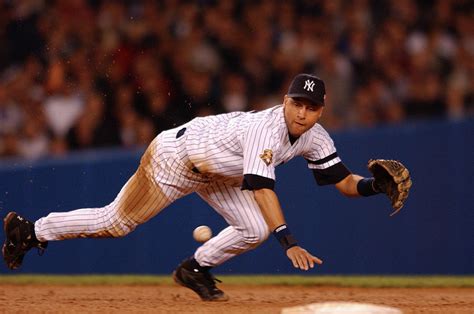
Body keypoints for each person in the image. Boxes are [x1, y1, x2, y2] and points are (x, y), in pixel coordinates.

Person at [2, 74, 412, 301]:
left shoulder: (316, 137)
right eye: (296, 104)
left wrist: (374, 186)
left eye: (311, 108)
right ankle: (32, 230)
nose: (302, 113)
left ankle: (194, 268)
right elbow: (261, 187)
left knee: (254, 229)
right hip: (177, 159)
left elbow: (341, 181)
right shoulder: (264, 129)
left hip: (220, 173)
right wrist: (289, 242)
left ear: (321, 110)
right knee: (116, 223)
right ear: (285, 101)